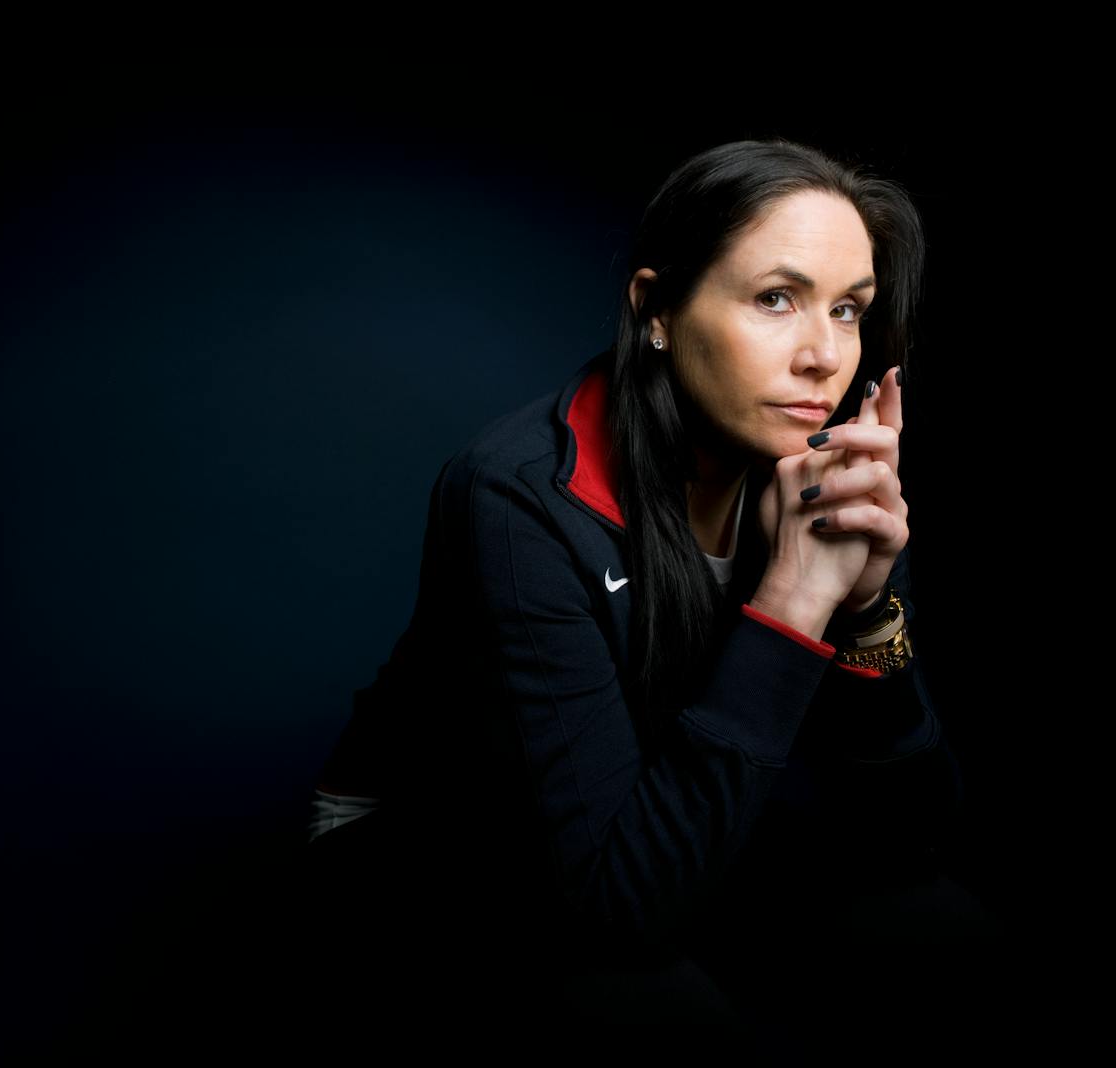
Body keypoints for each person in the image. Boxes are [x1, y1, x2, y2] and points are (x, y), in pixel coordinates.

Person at [294, 139, 1006, 1053]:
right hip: (435, 842)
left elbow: (910, 837)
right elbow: (616, 908)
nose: (823, 356)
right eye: (775, 299)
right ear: (657, 309)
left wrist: (866, 610)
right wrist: (793, 600)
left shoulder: (830, 481)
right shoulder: (518, 497)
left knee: (946, 931)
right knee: (668, 1023)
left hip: (655, 811)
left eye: (849, 310)